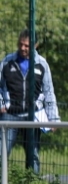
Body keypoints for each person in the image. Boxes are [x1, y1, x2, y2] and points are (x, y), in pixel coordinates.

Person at [0, 30, 59, 173]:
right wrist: (1, 104)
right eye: (20, 44)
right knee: (2, 153)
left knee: (33, 156)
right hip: (10, 115)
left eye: (26, 46)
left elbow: (49, 92)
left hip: (34, 116)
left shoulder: (42, 64)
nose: (22, 48)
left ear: (35, 45)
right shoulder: (7, 62)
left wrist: (53, 118)